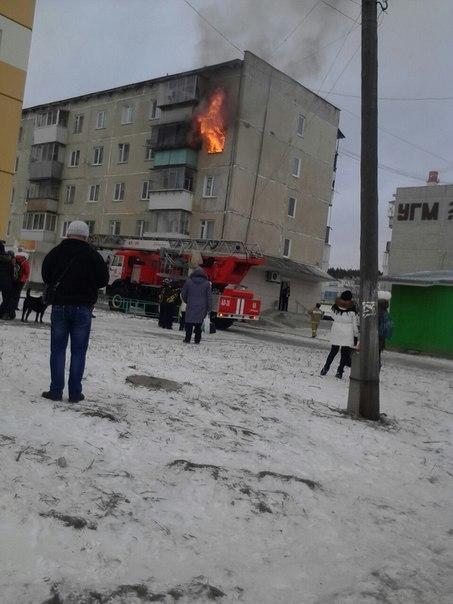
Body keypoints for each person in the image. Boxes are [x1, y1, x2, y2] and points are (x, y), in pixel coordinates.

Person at [41, 220, 109, 402]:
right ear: (86, 236)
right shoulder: (93, 255)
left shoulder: (56, 252)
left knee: (58, 350)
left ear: (68, 233)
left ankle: (56, 391)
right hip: (83, 308)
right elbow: (103, 280)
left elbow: (46, 275)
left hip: (60, 307)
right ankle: (75, 393)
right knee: (78, 351)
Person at [320, 290, 358, 379]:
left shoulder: (335, 307)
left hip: (336, 330)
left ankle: (325, 368)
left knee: (333, 351)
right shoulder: (352, 309)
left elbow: (332, 316)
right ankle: (339, 371)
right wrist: (356, 335)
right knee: (344, 353)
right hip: (348, 332)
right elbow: (354, 324)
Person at [181, 267, 212, 344]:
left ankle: (187, 338)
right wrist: (209, 307)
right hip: (202, 307)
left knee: (189, 323)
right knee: (198, 324)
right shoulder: (207, 284)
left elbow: (183, 293)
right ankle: (197, 339)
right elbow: (209, 297)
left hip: (190, 305)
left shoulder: (188, 282)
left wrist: (186, 301)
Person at [10, 253, 30, 318]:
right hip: (20, 281)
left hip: (13, 280)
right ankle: (15, 306)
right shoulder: (25, 262)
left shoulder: (14, 260)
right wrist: (23, 280)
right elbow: (27, 272)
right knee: (17, 293)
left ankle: (11, 304)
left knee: (12, 293)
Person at [0, 242, 14, 319]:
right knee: (6, 300)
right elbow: (12, 271)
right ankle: (4, 314)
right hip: (7, 282)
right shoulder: (9, 259)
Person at [378, 298, 393, 367]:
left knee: (374, 353)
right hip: (382, 336)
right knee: (378, 353)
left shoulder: (378, 312)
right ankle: (378, 365)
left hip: (376, 336)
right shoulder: (385, 312)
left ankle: (376, 366)